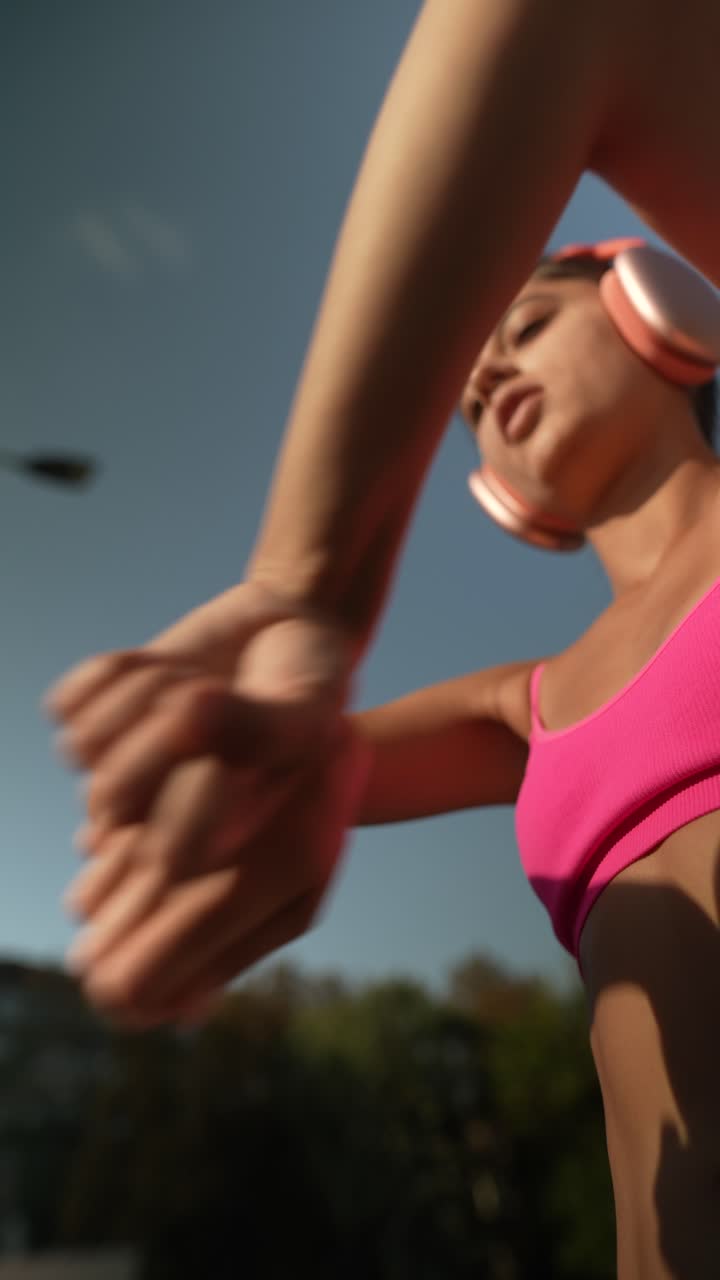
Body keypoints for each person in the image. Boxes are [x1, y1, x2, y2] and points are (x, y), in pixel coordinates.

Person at [43, 0, 720, 1272]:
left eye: (523, 326)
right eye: (464, 400)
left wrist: (312, 575)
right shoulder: (529, 702)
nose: (487, 384)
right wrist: (235, 742)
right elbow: (292, 764)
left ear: (659, 307)